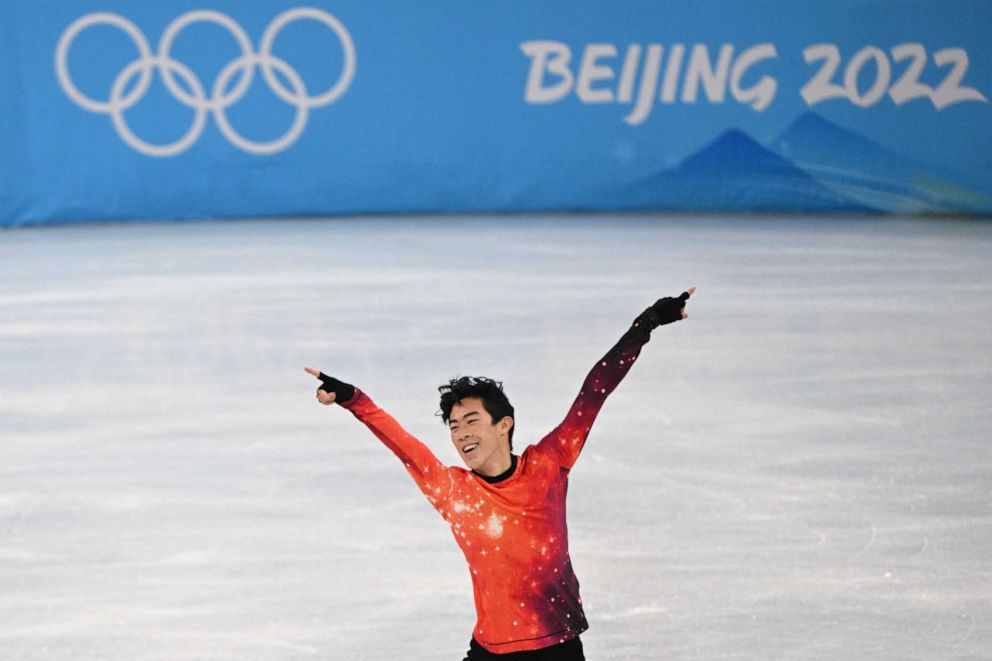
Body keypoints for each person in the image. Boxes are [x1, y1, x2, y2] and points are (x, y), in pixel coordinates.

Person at [305, 289, 694, 659]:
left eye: (472, 420)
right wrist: (353, 398)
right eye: (454, 426)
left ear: (504, 424)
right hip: (490, 650)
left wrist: (647, 324)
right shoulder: (451, 489)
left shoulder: (549, 464)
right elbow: (402, 444)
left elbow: (594, 392)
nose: (461, 434)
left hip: (557, 646)